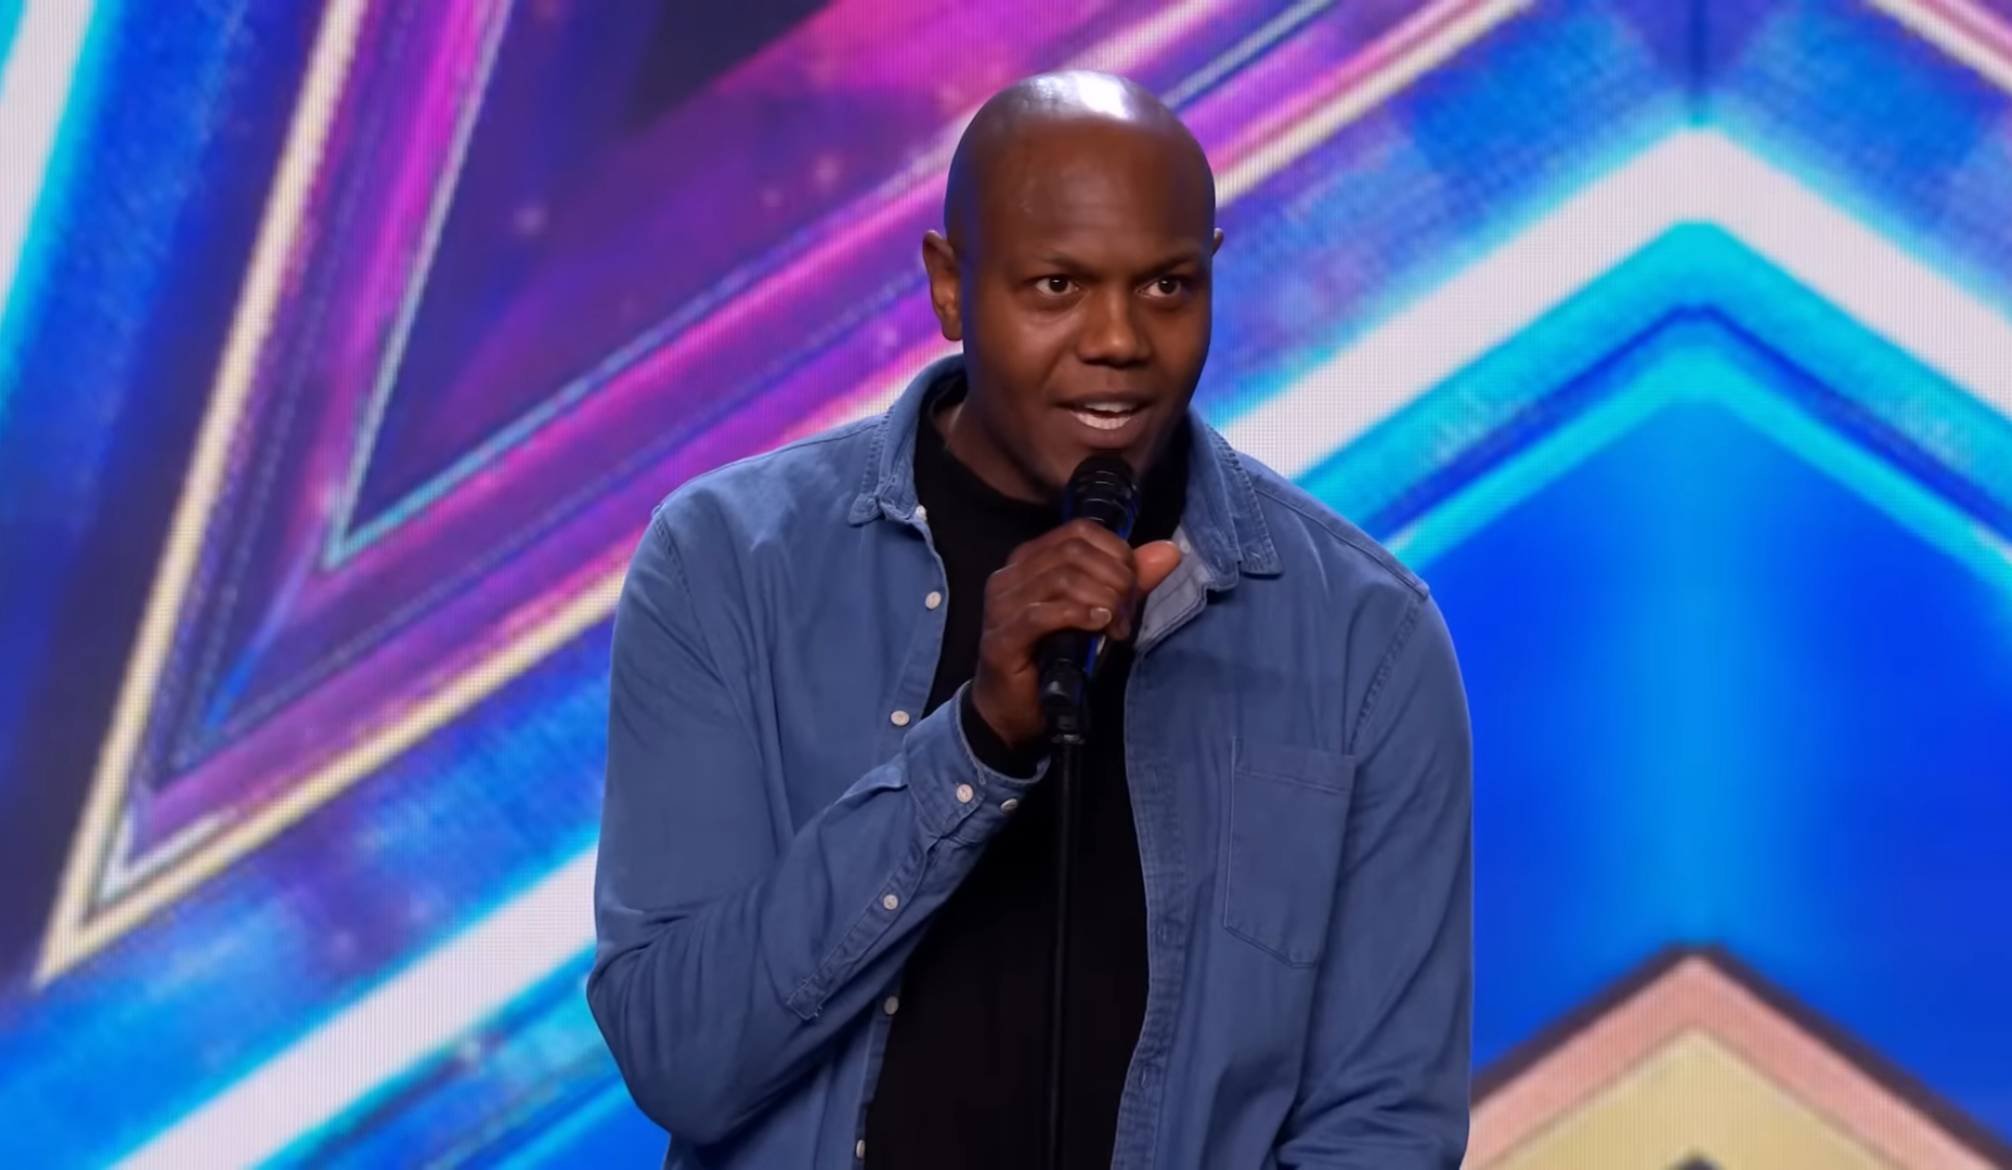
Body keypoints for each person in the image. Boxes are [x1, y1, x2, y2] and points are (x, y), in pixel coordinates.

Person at [588, 71, 1472, 1169]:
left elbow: (1382, 1128)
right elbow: (677, 1054)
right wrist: (975, 745)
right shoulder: (728, 562)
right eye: (1057, 285)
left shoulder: (1364, 637)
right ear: (950, 288)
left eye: (1166, 285)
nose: (1119, 339)